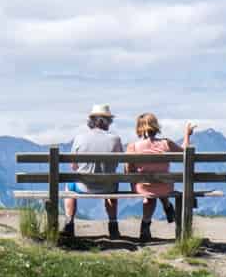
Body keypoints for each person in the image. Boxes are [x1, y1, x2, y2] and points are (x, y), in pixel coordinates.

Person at [126, 113, 194, 242]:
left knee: (149, 193)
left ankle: (145, 226)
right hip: (165, 188)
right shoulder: (166, 143)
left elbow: (129, 170)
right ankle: (167, 206)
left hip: (143, 187)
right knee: (158, 186)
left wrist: (132, 184)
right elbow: (185, 152)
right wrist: (187, 134)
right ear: (155, 126)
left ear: (139, 128)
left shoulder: (132, 147)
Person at [63, 103, 124, 238]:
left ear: (91, 120)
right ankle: (113, 225)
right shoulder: (115, 139)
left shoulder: (79, 137)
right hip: (108, 187)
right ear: (108, 121)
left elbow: (73, 166)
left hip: (84, 186)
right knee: (114, 182)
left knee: (69, 185)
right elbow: (119, 161)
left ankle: (69, 223)